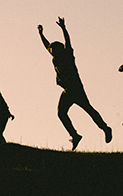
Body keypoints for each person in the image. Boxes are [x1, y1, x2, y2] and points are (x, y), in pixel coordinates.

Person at [37, 17, 112, 150]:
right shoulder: (55, 57)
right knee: (61, 113)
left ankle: (105, 128)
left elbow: (67, 41)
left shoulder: (67, 55)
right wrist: (41, 34)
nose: (51, 52)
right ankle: (75, 135)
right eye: (51, 50)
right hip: (67, 90)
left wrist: (63, 28)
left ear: (60, 49)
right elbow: (46, 46)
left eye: (54, 50)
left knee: (88, 109)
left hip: (75, 89)